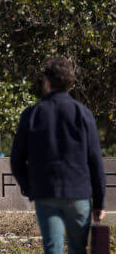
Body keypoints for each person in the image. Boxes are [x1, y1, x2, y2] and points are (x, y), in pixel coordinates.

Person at [10, 57, 106, 254]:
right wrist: (99, 201)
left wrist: (30, 188)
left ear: (47, 82)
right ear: (70, 82)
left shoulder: (32, 114)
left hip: (46, 192)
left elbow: (16, 160)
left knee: (52, 248)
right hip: (78, 193)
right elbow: (96, 161)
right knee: (78, 249)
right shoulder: (83, 113)